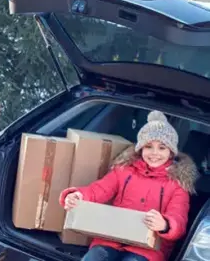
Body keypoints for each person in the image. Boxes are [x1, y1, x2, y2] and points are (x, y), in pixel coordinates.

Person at [59, 110, 199, 261]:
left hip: (149, 249)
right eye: (148, 146)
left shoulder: (177, 184)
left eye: (162, 148)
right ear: (140, 149)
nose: (154, 153)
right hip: (110, 238)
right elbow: (99, 189)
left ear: (171, 152)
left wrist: (165, 224)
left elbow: (178, 220)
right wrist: (79, 196)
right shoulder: (124, 170)